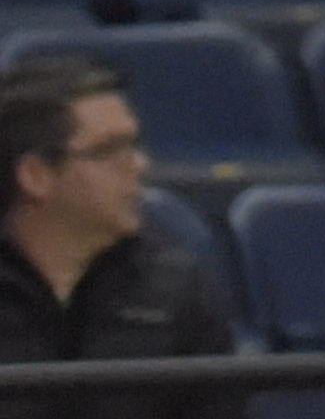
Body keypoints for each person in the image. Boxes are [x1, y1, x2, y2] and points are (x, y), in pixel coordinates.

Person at [0, 50, 232, 389]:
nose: (138, 165)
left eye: (133, 146)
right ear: (36, 175)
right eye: (109, 150)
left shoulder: (176, 292)